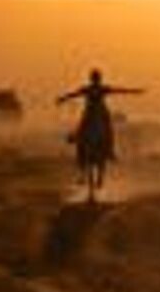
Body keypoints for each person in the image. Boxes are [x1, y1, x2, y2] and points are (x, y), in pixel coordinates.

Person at [57, 69, 144, 197]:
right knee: (82, 131)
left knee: (108, 130)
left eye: (95, 78)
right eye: (95, 78)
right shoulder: (89, 89)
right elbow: (75, 94)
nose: (95, 80)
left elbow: (119, 90)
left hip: (101, 114)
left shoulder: (100, 89)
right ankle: (83, 163)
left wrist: (134, 91)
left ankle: (110, 151)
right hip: (89, 114)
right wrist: (63, 98)